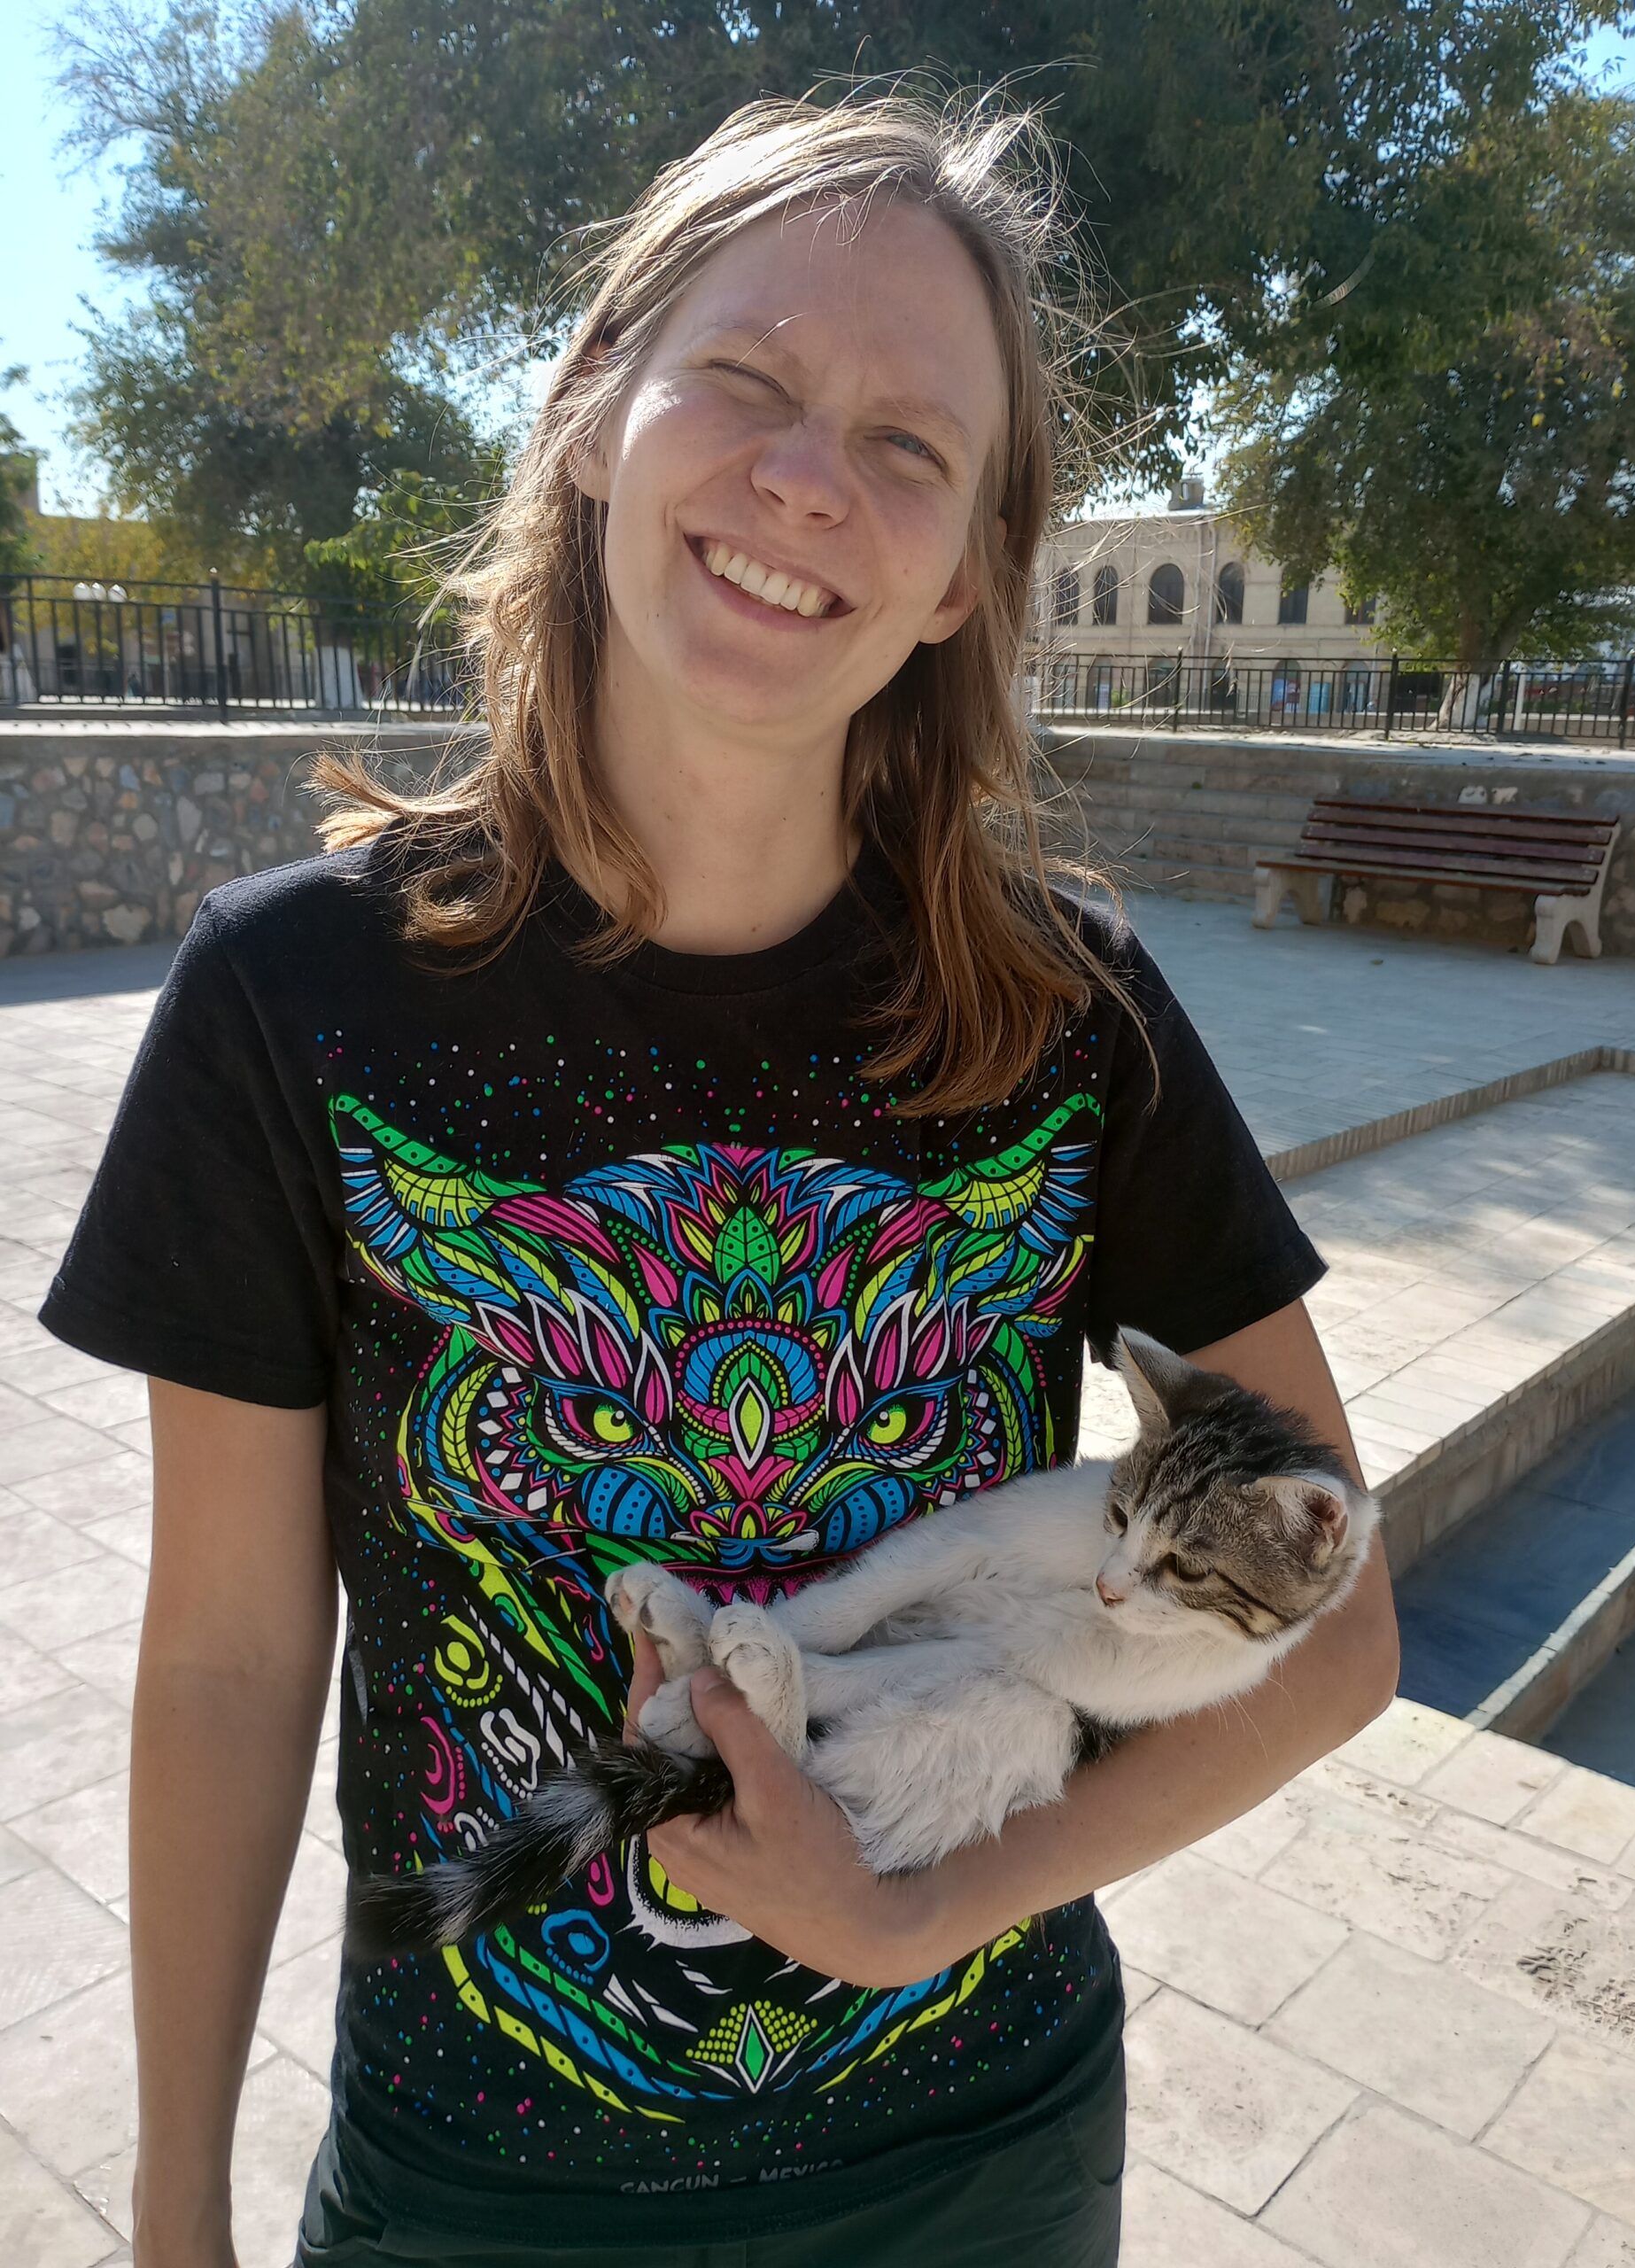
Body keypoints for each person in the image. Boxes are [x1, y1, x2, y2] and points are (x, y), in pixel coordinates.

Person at [38, 86, 1399, 2268]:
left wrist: (923, 1908)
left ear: (961, 577)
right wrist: (172, 2209)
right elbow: (223, 1654)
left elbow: (1335, 1642)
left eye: (908, 443)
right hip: (482, 2188)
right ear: (593, 409)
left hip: (980, 2166)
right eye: (748, 379)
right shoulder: (289, 998)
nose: (806, 477)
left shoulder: (1077, 1011)